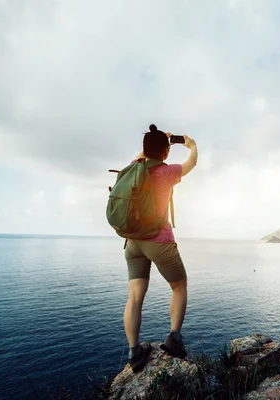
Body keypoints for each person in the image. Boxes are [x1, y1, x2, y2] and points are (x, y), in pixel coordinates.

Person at [123, 124, 197, 373]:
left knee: (134, 298)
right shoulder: (167, 172)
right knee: (179, 286)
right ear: (166, 153)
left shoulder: (133, 167)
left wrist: (153, 144)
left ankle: (134, 352)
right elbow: (191, 164)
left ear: (144, 150)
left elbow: (141, 155)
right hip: (159, 241)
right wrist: (192, 146)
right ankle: (174, 340)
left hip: (133, 243)